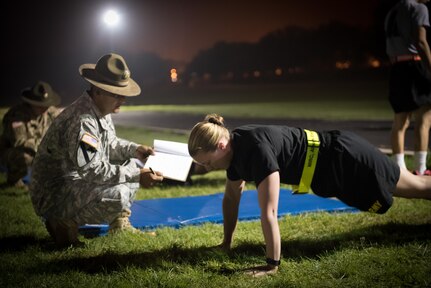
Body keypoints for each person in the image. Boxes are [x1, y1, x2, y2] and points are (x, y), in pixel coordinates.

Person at [188, 114, 431, 277]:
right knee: (417, 186)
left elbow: (269, 211)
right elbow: (231, 199)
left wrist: (271, 265)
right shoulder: (235, 151)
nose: (207, 169)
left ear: (220, 146)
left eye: (207, 163)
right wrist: (226, 243)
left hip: (344, 159)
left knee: (417, 188)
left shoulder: (256, 149)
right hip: (328, 171)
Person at [29, 53, 163, 247]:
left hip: (71, 182)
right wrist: (136, 175)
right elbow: (92, 169)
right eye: (116, 94)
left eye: (123, 94)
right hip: (54, 194)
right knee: (120, 193)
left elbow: (109, 143)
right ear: (98, 90)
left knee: (131, 162)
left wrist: (135, 150)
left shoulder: (98, 109)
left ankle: (119, 223)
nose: (123, 99)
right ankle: (62, 223)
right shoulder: (83, 120)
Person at [385, 0, 431, 175]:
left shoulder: (392, 11)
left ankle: (399, 170)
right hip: (415, 67)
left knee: (399, 122)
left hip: (397, 68)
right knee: (424, 120)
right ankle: (420, 169)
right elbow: (420, 41)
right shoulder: (419, 8)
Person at [0, 81, 61, 189]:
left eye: (46, 104)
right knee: (25, 157)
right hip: (14, 151)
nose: (44, 108)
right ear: (31, 102)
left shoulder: (49, 111)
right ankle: (15, 180)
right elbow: (21, 142)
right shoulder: (16, 115)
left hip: (42, 149)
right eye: (40, 105)